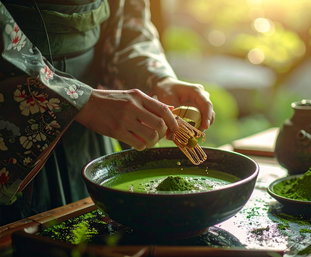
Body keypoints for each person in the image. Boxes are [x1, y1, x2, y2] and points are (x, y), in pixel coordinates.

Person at [0, 0, 215, 225]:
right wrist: (79, 99)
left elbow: (129, 26)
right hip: (17, 137)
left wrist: (158, 77)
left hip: (95, 129)